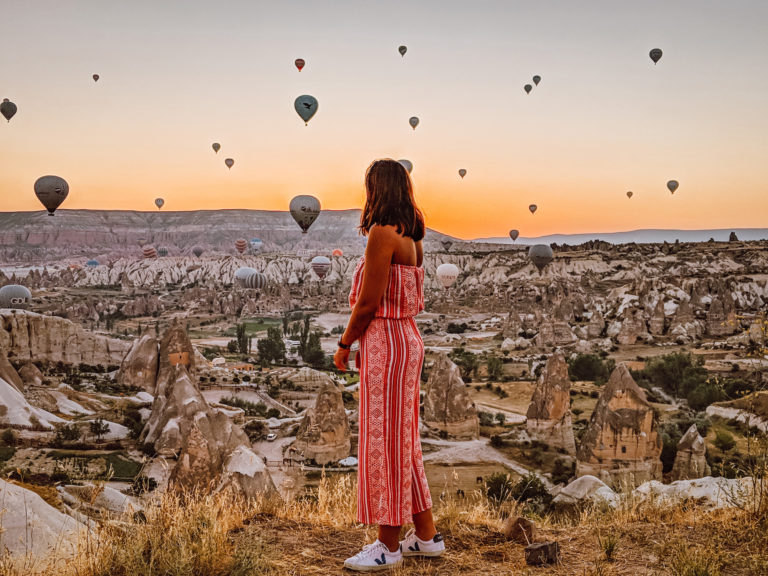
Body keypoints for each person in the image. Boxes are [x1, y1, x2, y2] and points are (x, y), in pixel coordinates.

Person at [335, 158, 445, 572]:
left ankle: (387, 546)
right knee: (404, 440)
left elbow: (368, 301)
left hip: (386, 341)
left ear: (375, 189)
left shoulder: (383, 233)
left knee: (384, 442)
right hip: (408, 338)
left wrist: (345, 343)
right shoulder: (414, 233)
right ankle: (427, 536)